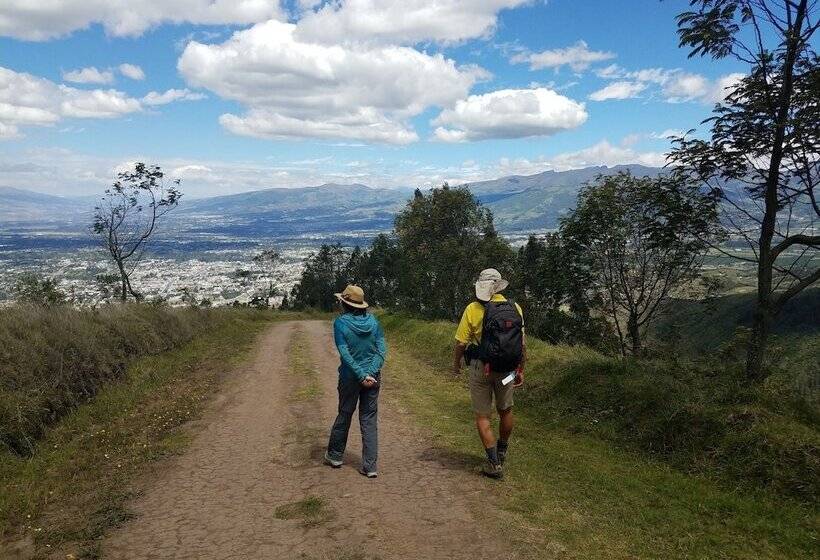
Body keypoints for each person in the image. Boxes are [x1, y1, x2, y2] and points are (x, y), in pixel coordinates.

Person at [453, 268, 525, 479]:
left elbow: (461, 342)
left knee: (483, 415)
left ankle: (494, 464)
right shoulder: (515, 307)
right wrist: (520, 370)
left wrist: (456, 364)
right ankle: (502, 451)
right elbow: (521, 343)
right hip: (508, 371)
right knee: (506, 409)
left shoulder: (473, 308)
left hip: (480, 369)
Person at [324, 284, 386, 478]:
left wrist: (360, 374)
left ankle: (335, 455)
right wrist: (371, 373)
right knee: (369, 419)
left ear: (344, 304)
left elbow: (345, 352)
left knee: (344, 413)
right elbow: (381, 351)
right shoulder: (374, 322)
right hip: (372, 378)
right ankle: (370, 466)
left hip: (350, 378)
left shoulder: (340, 323)